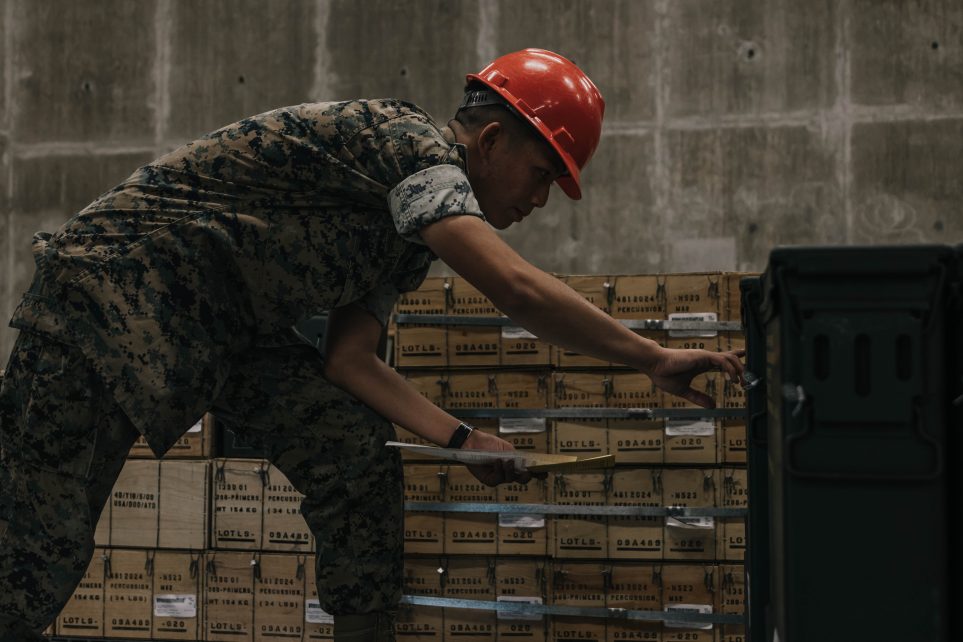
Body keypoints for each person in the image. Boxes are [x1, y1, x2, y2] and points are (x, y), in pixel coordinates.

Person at [0, 48, 744, 641]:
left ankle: (363, 629)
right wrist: (652, 356)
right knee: (39, 545)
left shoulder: (405, 239)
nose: (540, 198)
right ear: (489, 140)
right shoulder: (408, 149)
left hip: (218, 332)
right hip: (106, 298)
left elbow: (348, 361)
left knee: (348, 444)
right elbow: (514, 287)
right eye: (541, 173)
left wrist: (463, 440)